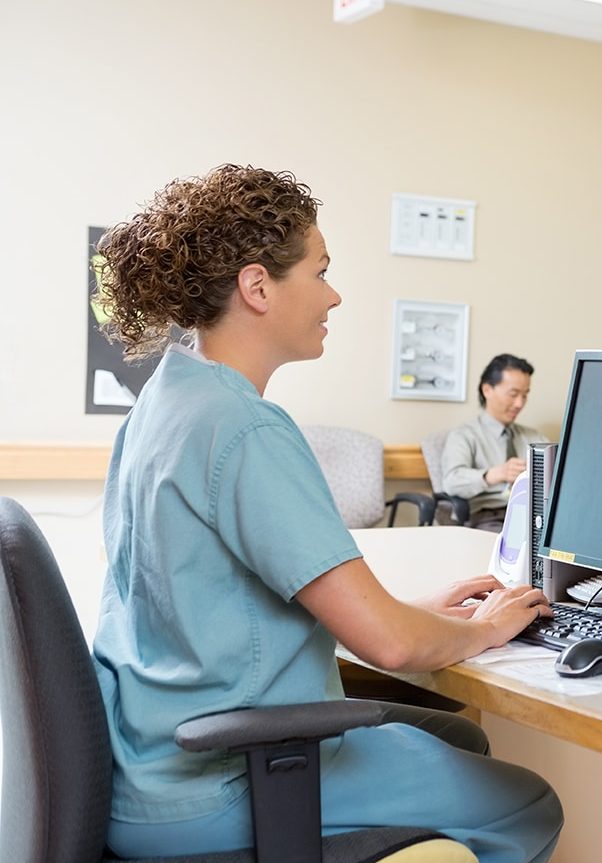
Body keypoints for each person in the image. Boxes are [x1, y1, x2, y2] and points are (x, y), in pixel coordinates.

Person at [90, 165, 562, 861]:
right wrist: (485, 630)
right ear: (258, 287)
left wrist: (420, 611)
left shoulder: (165, 404)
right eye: (320, 271)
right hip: (223, 779)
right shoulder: (244, 428)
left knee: (458, 737)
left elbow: (223, 601)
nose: (334, 294)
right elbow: (391, 647)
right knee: (526, 801)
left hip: (148, 758)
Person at [440, 354, 542, 532]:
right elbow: (451, 481)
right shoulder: (464, 435)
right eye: (513, 394)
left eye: (525, 395)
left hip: (535, 517)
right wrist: (493, 475)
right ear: (487, 390)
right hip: (491, 518)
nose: (520, 403)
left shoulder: (534, 438)